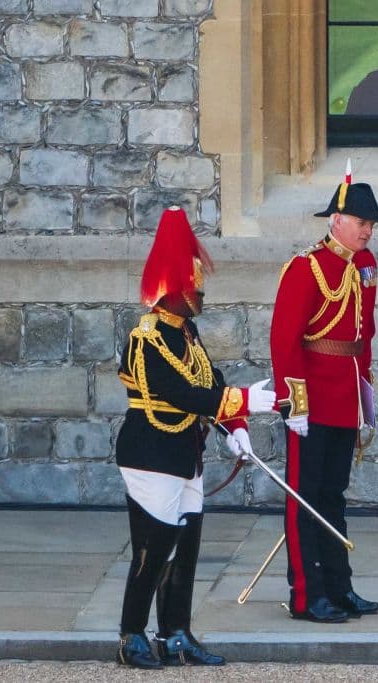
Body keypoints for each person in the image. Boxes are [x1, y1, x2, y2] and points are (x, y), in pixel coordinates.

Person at [115, 207, 276, 668]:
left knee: (185, 544)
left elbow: (211, 381)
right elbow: (181, 393)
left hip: (185, 451)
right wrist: (244, 402)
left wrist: (236, 428)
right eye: (192, 287)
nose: (199, 293)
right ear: (171, 290)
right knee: (154, 546)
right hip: (150, 451)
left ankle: (175, 634)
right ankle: (131, 634)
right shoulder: (146, 339)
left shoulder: (187, 332)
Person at [270, 173, 378, 623]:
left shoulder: (364, 266)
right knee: (305, 497)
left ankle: (339, 588)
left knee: (333, 497)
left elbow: (365, 335)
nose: (367, 230)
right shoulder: (307, 268)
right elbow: (285, 341)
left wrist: (364, 393)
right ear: (336, 220)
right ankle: (307, 594)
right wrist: (293, 401)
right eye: (361, 221)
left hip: (344, 398)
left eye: (371, 224)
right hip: (312, 399)